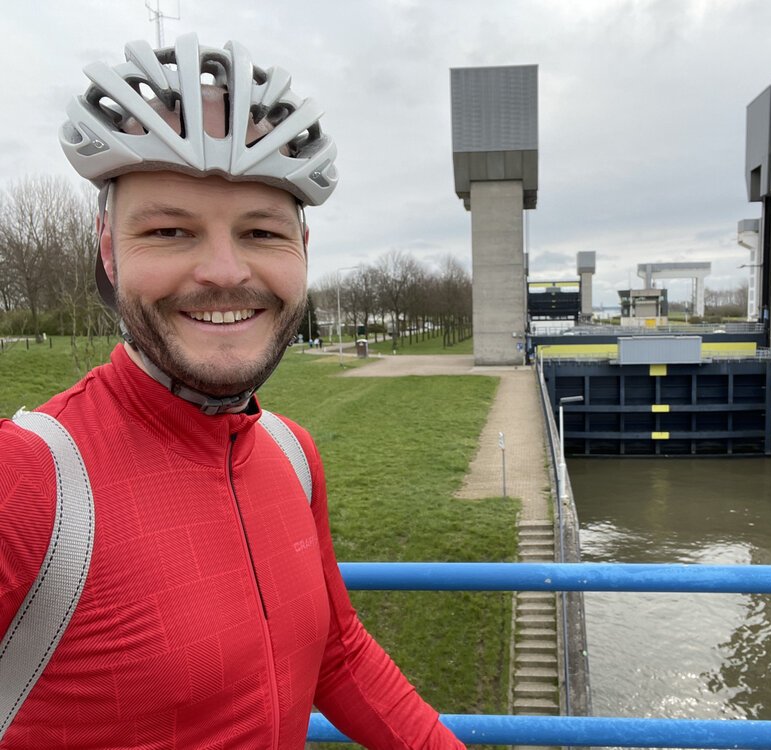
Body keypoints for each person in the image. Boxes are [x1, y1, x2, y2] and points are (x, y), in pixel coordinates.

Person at [0, 35, 464, 749]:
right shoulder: (26, 481)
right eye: (168, 230)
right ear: (107, 249)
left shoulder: (290, 453)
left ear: (302, 250)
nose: (223, 271)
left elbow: (337, 654)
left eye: (260, 231)